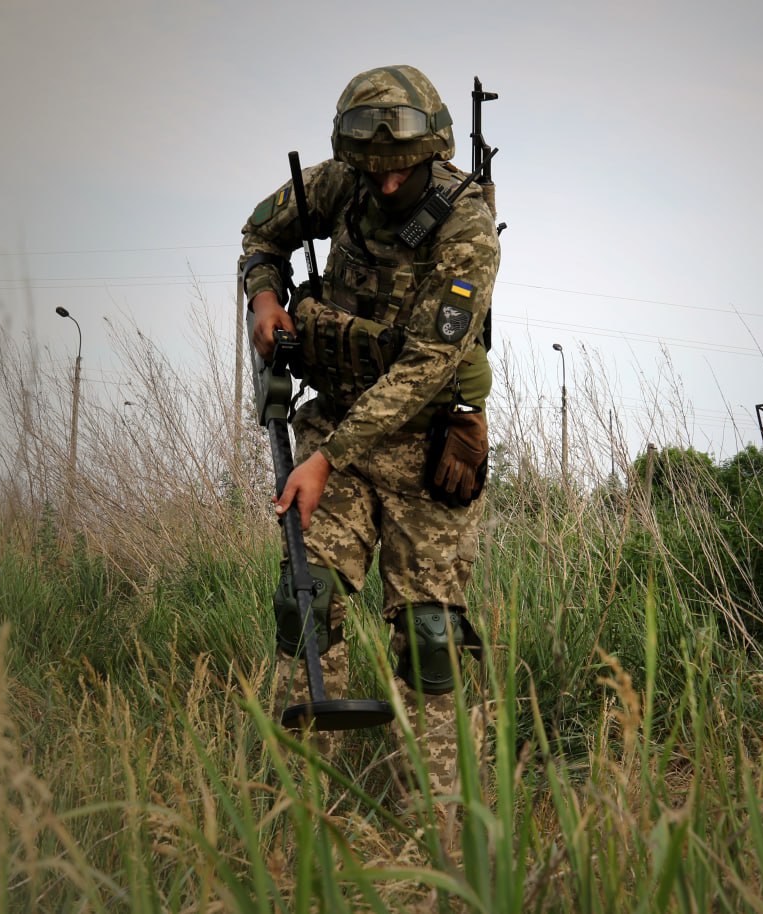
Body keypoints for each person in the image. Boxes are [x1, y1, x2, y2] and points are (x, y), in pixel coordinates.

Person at [239, 65, 498, 812]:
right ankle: (297, 813)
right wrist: (264, 293)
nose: (385, 188)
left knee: (429, 637)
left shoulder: (467, 227)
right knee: (305, 601)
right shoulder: (340, 183)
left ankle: (440, 828)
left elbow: (425, 366)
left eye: (401, 173)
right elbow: (261, 230)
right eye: (372, 172)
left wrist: (325, 459)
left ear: (433, 154)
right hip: (338, 416)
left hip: (428, 440)